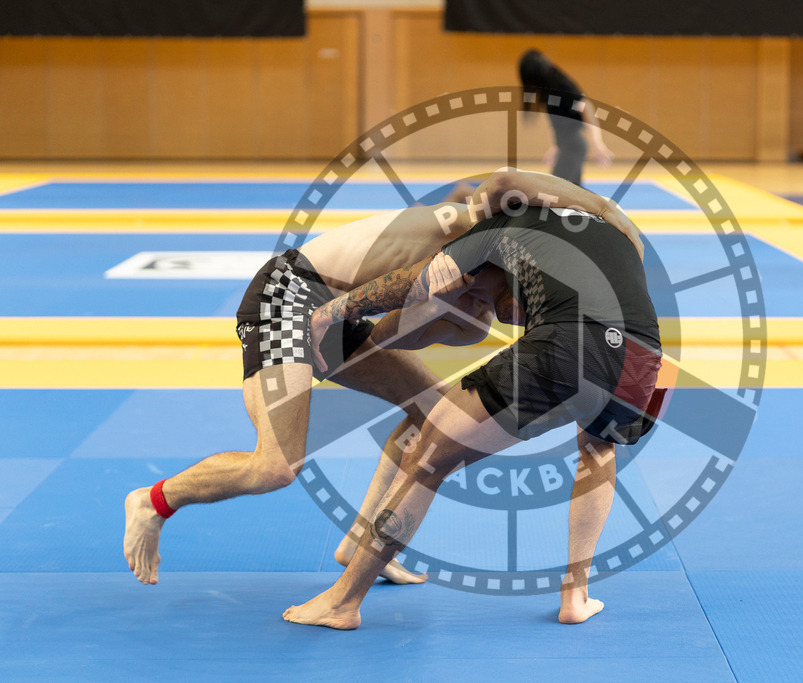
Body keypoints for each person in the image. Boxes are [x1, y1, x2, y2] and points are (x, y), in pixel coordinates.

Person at [122, 168, 644, 588]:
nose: (516, 319)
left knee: (433, 415)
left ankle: (360, 542)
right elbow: (503, 183)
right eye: (518, 306)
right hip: (289, 294)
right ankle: (153, 500)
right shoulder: (477, 232)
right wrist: (607, 209)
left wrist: (418, 316)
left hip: (338, 315)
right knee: (274, 467)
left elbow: (383, 340)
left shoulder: (471, 317)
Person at [282, 197, 662, 630]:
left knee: (426, 456)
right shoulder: (605, 232)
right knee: (598, 451)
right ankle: (576, 596)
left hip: (571, 342)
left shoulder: (496, 230)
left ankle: (343, 601)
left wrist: (331, 312)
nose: (473, 297)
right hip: (642, 358)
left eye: (474, 286)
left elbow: (412, 282)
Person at [519, 48, 613, 185]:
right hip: (567, 146)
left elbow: (586, 106)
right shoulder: (547, 89)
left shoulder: (559, 84)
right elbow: (556, 122)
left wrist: (596, 143)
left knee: (554, 189)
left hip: (573, 146)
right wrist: (555, 146)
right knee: (571, 192)